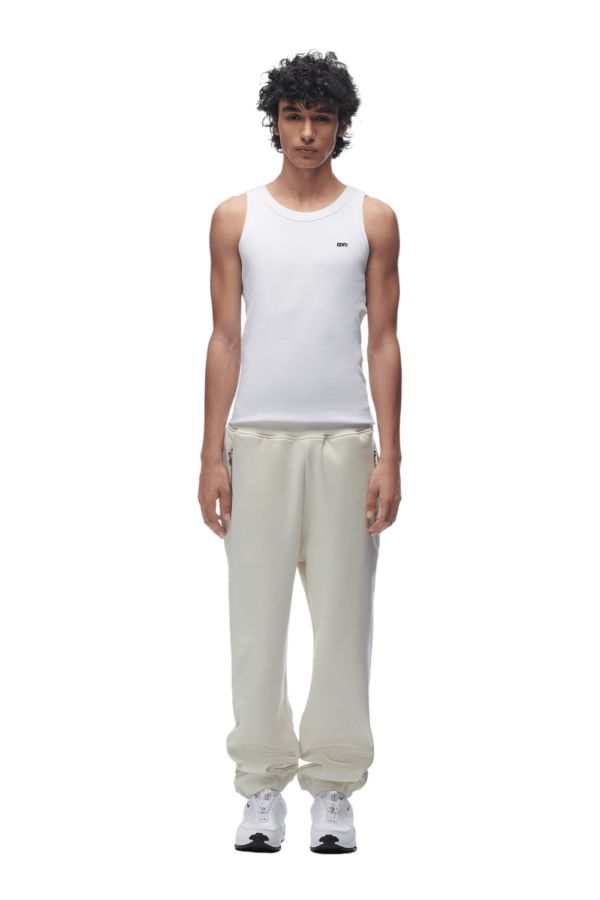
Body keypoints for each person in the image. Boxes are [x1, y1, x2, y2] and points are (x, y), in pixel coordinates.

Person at [198, 46, 402, 855]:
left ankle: (334, 790)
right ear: (274, 121)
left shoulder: (373, 219)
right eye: (295, 117)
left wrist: (390, 455)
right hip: (257, 437)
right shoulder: (236, 217)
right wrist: (212, 454)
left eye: (322, 118)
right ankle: (259, 787)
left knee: (344, 618)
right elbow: (223, 337)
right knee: (254, 617)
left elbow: (384, 342)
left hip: (345, 439)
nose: (308, 133)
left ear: (341, 124)